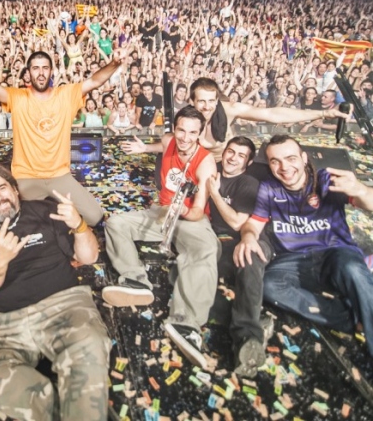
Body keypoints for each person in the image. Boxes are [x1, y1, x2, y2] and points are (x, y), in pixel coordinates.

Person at [0, 164, 111, 420]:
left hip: (64, 305)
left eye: (2, 188)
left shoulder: (46, 211)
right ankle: (54, 407)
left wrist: (79, 226)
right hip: (6, 319)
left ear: (15, 190)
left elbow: (89, 257)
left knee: (89, 346)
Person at [234, 135, 373, 357]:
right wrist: (248, 237)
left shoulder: (326, 179)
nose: (284, 167)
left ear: (304, 158)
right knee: (270, 285)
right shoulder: (269, 189)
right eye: (275, 161)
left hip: (334, 253)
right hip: (293, 259)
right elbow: (253, 223)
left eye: (290, 159)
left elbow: (369, 202)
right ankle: (350, 319)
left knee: (354, 270)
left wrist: (361, 190)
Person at [102, 106, 219, 369]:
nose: (186, 138)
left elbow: (199, 208)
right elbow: (161, 147)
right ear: (174, 129)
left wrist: (184, 209)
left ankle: (185, 323)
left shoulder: (206, 161)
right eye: (181, 130)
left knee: (205, 251)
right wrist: (144, 149)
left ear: (200, 134)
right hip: (162, 212)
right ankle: (136, 280)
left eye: (192, 133)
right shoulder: (169, 141)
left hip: (190, 218)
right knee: (116, 223)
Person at [0, 49, 127, 226]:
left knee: (94, 216)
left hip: (59, 175)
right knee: (12, 222)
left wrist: (115, 63)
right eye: (36, 68)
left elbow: (95, 81)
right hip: (26, 176)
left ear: (51, 71)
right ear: (28, 73)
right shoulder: (18, 97)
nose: (41, 73)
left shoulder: (66, 94)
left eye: (45, 68)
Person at [206, 137, 273, 377]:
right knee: (184, 279)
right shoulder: (211, 171)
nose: (233, 158)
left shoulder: (248, 183)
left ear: (249, 161)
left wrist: (214, 193)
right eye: (231, 152)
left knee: (248, 260)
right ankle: (255, 319)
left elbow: (236, 222)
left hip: (250, 237)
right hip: (220, 242)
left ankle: (248, 338)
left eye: (241, 155)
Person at [188, 78, 348, 161]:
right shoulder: (186, 118)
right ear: (192, 101)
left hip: (228, 168)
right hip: (199, 169)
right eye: (201, 101)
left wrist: (323, 114)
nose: (207, 107)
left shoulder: (228, 109)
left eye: (211, 101)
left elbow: (272, 114)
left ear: (217, 100)